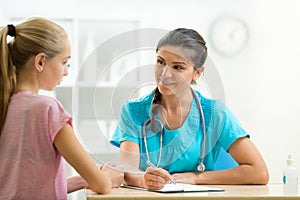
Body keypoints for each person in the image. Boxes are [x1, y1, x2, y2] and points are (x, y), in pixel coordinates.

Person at [110, 28, 269, 190]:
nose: (165, 74)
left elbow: (259, 172)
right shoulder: (132, 111)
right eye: (161, 62)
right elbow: (127, 170)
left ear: (197, 73)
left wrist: (196, 178)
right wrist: (144, 180)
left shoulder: (214, 113)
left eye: (178, 67)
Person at [0, 17, 124, 199]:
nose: (66, 71)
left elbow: (28, 187)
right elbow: (102, 185)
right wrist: (106, 177)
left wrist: (83, 179)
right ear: (40, 61)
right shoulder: (48, 110)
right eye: (64, 62)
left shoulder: (5, 105)